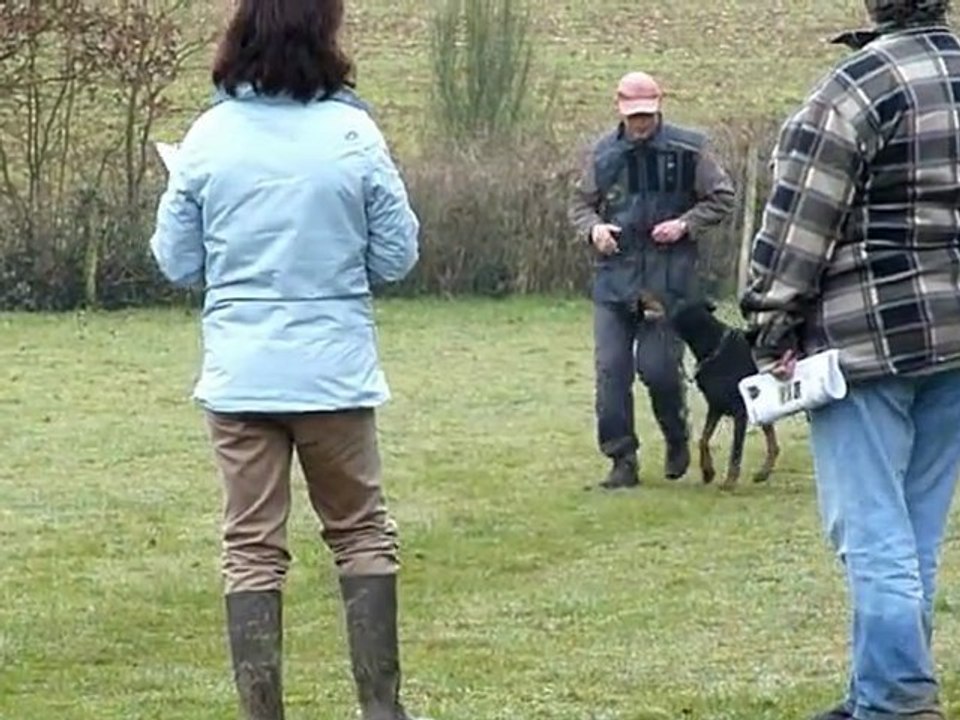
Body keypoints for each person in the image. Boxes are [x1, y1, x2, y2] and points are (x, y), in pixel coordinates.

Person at [148, 0, 425, 718]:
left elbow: (177, 262)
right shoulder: (352, 133)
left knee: (251, 548)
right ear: (325, 35)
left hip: (242, 377)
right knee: (360, 532)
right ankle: (381, 708)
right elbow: (397, 256)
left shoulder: (209, 137)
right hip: (333, 373)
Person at [740, 2, 960, 718]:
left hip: (868, 342)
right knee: (915, 530)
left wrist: (770, 323)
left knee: (870, 530)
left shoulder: (859, 85)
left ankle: (897, 700)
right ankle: (879, 689)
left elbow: (802, 216)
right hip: (956, 340)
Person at [568, 71, 736, 490]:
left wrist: (685, 223)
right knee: (611, 371)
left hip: (668, 283)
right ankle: (621, 458)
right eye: (633, 116)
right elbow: (579, 205)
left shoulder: (690, 149)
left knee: (659, 369)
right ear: (619, 110)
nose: (640, 124)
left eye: (646, 115)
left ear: (659, 107)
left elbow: (722, 197)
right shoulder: (603, 155)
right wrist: (594, 230)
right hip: (615, 280)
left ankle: (676, 435)